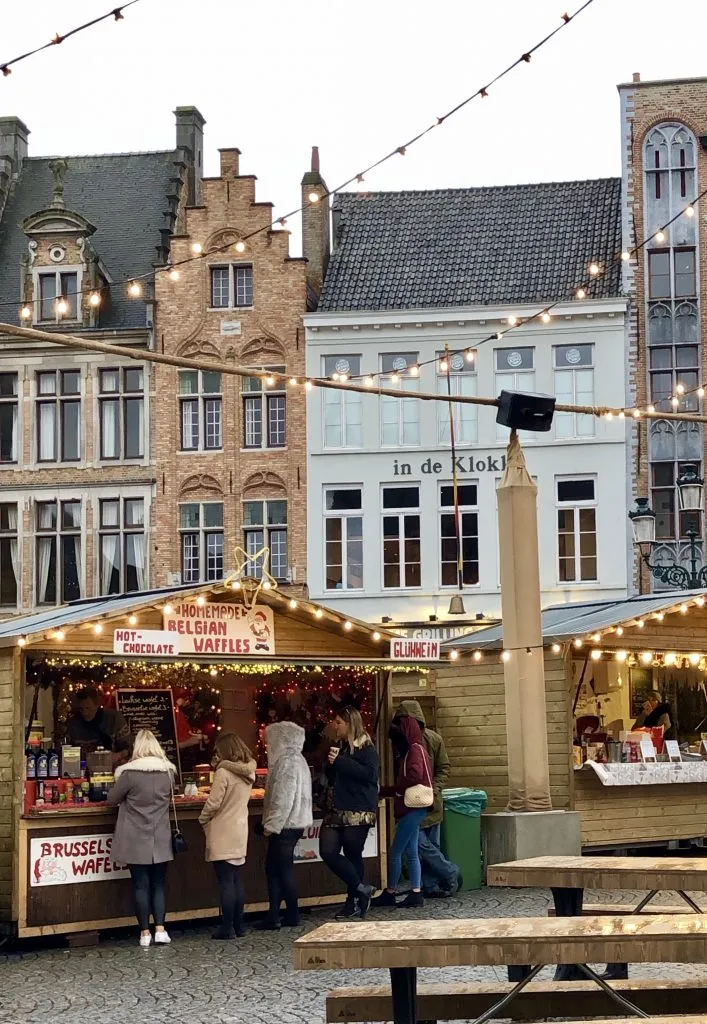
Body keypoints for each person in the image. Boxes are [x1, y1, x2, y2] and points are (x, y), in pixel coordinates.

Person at [107, 729, 175, 947]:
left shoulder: (129, 774)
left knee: (140, 885)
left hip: (135, 837)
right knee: (159, 885)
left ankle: (144, 933)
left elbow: (111, 799)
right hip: (161, 836)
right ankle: (161, 929)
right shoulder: (168, 773)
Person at [393, 700, 460, 897]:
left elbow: (444, 767)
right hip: (415, 804)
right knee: (423, 847)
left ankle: (437, 882)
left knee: (427, 846)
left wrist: (435, 788)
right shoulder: (401, 742)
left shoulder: (433, 740)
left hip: (430, 802)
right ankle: (444, 876)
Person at [319, 707, 379, 920]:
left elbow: (370, 775)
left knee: (353, 854)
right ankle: (361, 888)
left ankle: (352, 901)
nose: (335, 726)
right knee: (327, 850)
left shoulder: (367, 748)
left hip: (358, 808)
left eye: (338, 722)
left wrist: (341, 763)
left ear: (350, 723)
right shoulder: (340, 746)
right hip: (335, 807)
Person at [255, 720, 313, 930]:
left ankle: (288, 914)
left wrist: (270, 825)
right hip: (293, 823)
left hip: (285, 824)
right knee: (277, 868)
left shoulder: (286, 762)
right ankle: (281, 914)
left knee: (279, 870)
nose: (268, 746)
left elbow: (283, 799)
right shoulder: (299, 760)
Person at [199, 732, 256, 940]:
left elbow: (214, 803)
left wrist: (202, 819)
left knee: (225, 881)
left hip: (223, 830)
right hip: (240, 829)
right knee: (236, 879)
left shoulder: (224, 772)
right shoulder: (249, 773)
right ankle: (239, 926)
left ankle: (226, 928)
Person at [373, 715, 432, 909]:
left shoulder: (413, 750)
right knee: (412, 851)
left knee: (396, 851)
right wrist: (388, 790)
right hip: (418, 808)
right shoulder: (420, 748)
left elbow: (414, 775)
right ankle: (416, 892)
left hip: (412, 808)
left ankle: (391, 892)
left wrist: (396, 789)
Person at [67, 686, 132, 758]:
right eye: (81, 709)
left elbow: (129, 747)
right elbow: (67, 751)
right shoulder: (73, 723)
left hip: (111, 765)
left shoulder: (114, 718)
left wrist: (118, 755)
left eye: (88, 708)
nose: (85, 713)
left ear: (97, 705)